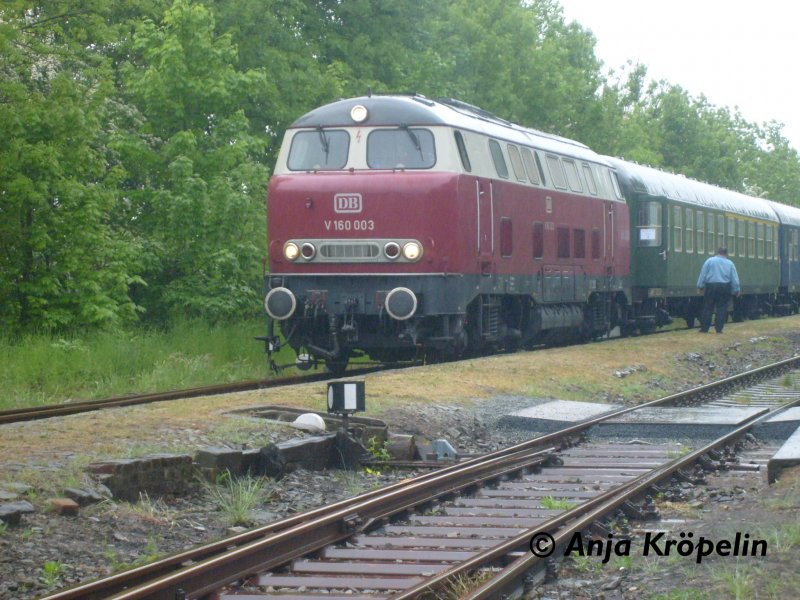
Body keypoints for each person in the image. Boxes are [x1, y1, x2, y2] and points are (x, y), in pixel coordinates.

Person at [696, 247, 740, 333]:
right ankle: (719, 329)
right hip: (724, 287)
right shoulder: (730, 263)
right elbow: (734, 278)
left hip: (711, 286)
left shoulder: (709, 261)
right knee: (722, 308)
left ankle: (704, 328)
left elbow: (703, 274)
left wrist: (700, 286)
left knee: (708, 307)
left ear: (717, 252)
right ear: (726, 254)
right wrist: (736, 289)